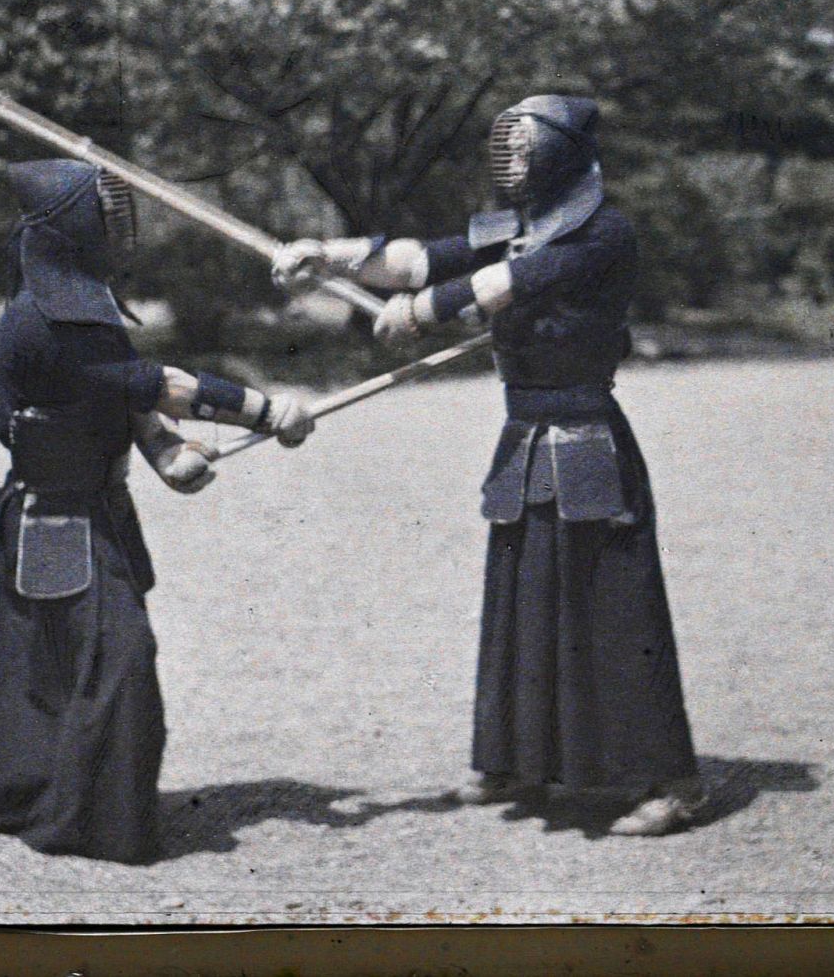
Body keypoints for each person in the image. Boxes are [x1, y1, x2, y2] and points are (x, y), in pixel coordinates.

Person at [273, 95, 703, 836]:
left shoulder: (603, 231)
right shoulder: (516, 226)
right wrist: (328, 254)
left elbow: (507, 284)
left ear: (560, 151)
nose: (512, 157)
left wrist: (421, 311)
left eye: (525, 145)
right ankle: (520, 760)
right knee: (523, 601)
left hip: (585, 435)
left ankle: (673, 781)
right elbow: (415, 257)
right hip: (524, 432)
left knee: (614, 608)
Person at [0, 158, 315, 864]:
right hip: (59, 519)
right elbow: (153, 382)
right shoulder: (46, 319)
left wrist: (163, 448)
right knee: (120, 658)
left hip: (86, 507)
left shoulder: (76, 308)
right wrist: (267, 410)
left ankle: (21, 791)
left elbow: (123, 397)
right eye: (105, 212)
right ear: (72, 230)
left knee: (51, 659)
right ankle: (94, 820)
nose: (120, 226)